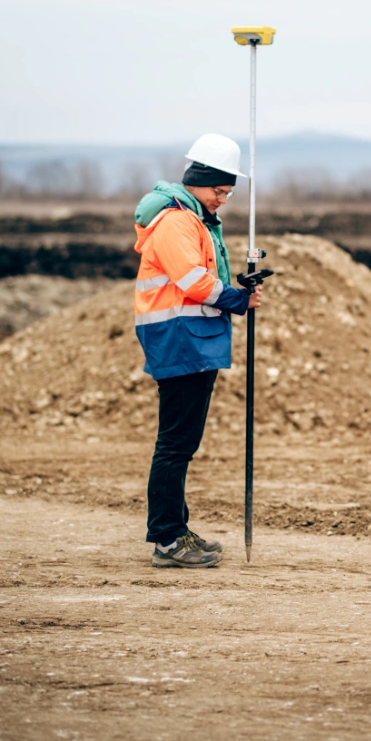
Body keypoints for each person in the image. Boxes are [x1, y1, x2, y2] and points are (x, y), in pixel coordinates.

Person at [132, 133, 262, 569]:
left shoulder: (195, 220)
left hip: (190, 338)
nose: (223, 199)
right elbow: (193, 282)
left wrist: (234, 289)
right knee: (175, 445)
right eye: (219, 190)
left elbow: (204, 276)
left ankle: (176, 529)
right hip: (179, 339)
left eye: (228, 192)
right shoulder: (176, 222)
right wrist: (237, 300)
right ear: (199, 180)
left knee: (181, 443)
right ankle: (167, 539)